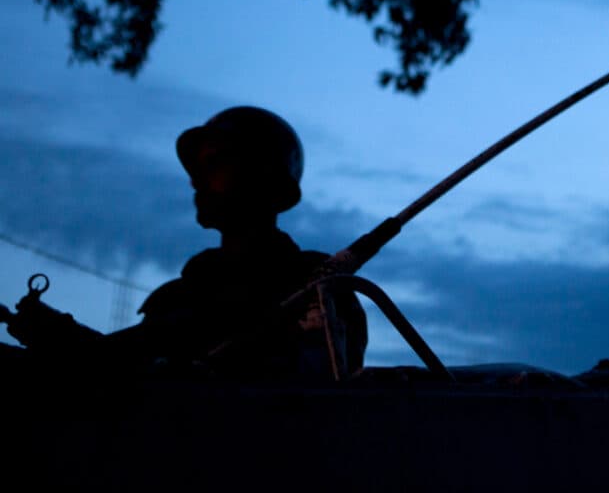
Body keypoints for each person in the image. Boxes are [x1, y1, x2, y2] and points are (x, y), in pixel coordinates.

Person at [2, 106, 367, 380]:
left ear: (265, 177)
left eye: (217, 163)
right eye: (199, 168)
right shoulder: (177, 296)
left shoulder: (319, 289)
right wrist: (65, 341)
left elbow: (321, 394)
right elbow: (125, 379)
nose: (197, 181)